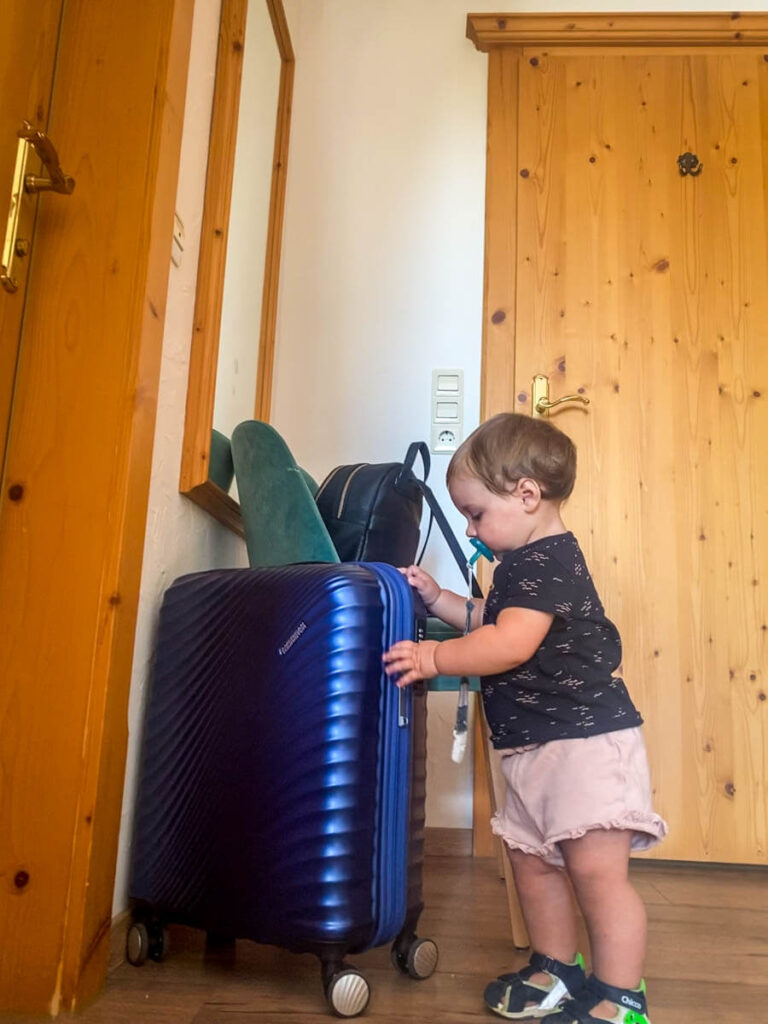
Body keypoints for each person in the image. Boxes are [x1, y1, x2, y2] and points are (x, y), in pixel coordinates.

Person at [382, 412, 666, 1024]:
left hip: (584, 745)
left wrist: (433, 655)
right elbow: (492, 619)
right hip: (535, 746)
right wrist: (440, 600)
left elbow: (508, 643)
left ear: (527, 495)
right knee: (533, 864)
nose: (469, 527)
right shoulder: (520, 567)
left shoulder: (547, 561)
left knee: (596, 876)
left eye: (476, 513)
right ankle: (555, 969)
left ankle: (622, 997)